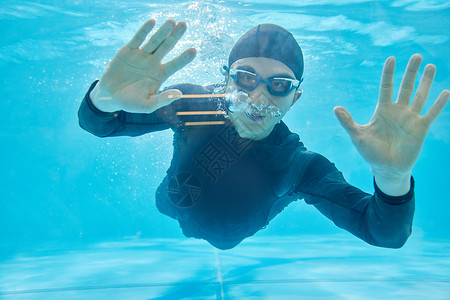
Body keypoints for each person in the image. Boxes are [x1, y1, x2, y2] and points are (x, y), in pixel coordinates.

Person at [78, 19, 449, 250]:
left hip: (229, 234)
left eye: (279, 85)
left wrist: (392, 177)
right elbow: (101, 124)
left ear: (295, 98)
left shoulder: (299, 166)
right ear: (226, 78)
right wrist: (103, 100)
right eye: (246, 77)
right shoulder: (190, 101)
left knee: (222, 239)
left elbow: (383, 233)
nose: (258, 96)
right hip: (170, 202)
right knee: (165, 204)